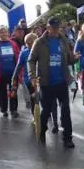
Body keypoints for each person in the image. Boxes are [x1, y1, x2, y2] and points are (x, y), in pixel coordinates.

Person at [28, 18, 75, 148]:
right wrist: (32, 76)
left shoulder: (63, 40)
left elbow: (69, 59)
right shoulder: (39, 42)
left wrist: (74, 58)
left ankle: (67, 138)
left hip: (62, 81)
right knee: (46, 110)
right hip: (47, 83)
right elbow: (31, 60)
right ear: (47, 28)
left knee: (65, 110)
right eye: (53, 27)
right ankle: (42, 130)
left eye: (57, 27)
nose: (55, 30)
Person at [0, 26, 20, 118]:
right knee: (2, 92)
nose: (3, 34)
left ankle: (13, 109)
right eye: (1, 32)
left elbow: (18, 57)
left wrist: (20, 72)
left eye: (5, 32)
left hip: (13, 73)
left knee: (13, 91)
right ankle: (4, 110)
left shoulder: (13, 43)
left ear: (8, 33)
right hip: (1, 74)